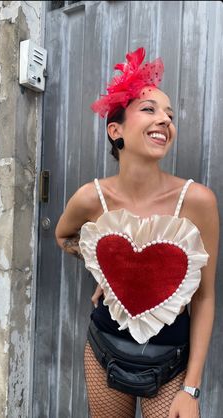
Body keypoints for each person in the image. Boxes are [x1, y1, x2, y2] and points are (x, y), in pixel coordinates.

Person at [55, 47, 219, 418]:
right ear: (116, 131)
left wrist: (191, 389)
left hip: (172, 365)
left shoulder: (197, 201)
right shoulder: (90, 197)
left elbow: (205, 298)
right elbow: (63, 236)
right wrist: (108, 268)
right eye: (150, 110)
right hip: (103, 350)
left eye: (170, 115)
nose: (165, 120)